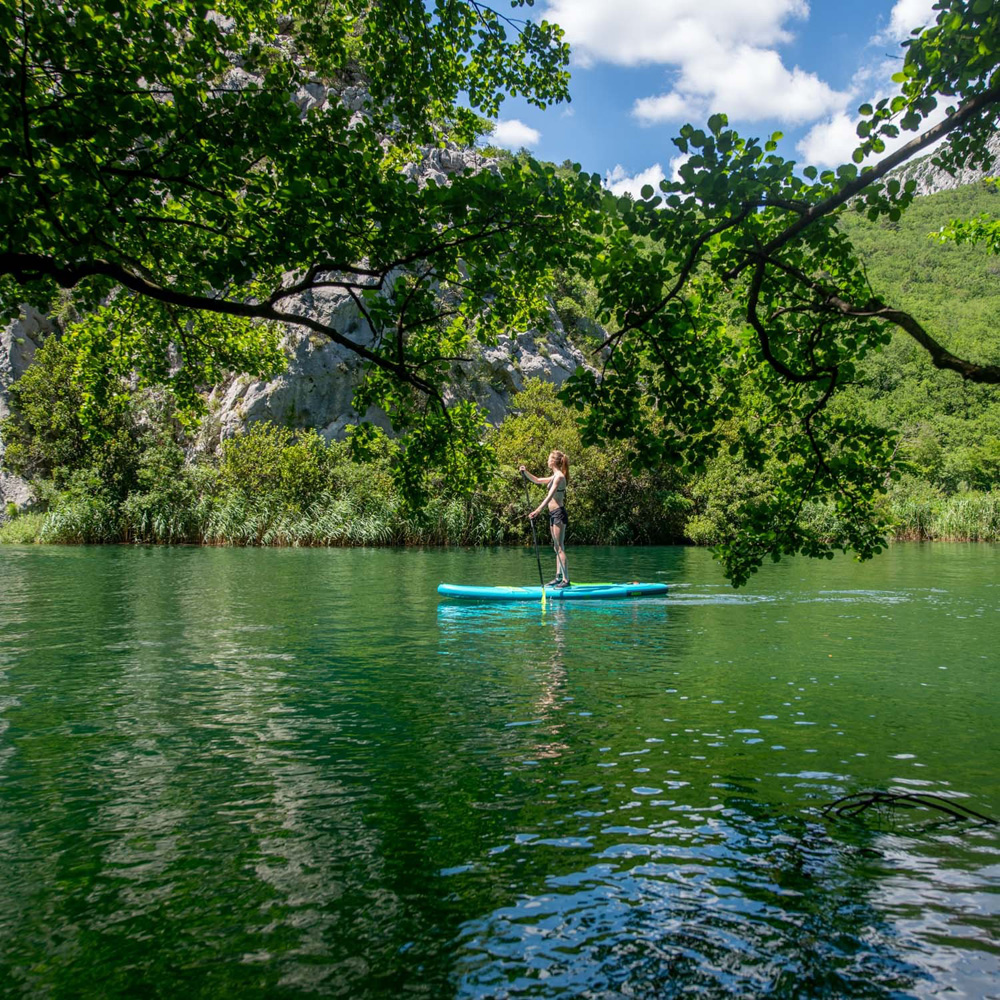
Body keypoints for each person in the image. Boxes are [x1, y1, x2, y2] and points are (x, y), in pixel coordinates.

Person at [519, 451, 570, 588]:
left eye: (549, 459)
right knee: (556, 546)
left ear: (553, 461)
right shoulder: (554, 476)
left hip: (559, 513)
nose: (547, 461)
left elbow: (550, 495)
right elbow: (537, 480)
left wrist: (537, 510)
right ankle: (558, 577)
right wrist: (526, 472)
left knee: (560, 547)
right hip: (553, 514)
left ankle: (566, 580)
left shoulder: (559, 477)